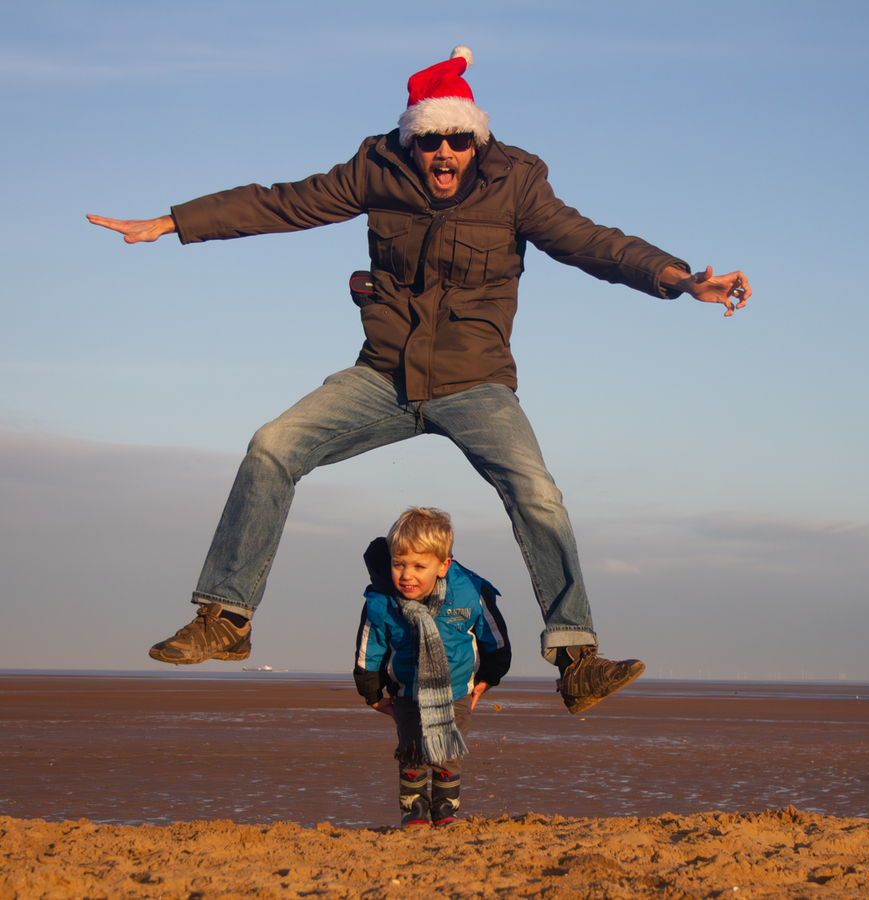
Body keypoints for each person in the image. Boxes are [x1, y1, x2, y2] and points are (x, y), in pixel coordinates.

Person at [86, 46, 751, 714]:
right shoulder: (375, 169)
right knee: (271, 446)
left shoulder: (516, 183)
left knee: (537, 493)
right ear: (413, 140)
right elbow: (283, 203)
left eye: (459, 141)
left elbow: (592, 243)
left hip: (475, 382)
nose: (445, 154)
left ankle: (576, 660)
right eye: (431, 141)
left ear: (476, 139)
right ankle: (227, 620)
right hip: (384, 376)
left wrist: (680, 279)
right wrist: (176, 222)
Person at [354, 507, 510, 826]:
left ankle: (444, 811)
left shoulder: (469, 592)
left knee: (447, 756)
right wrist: (371, 694)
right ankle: (414, 812)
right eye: (399, 564)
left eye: (418, 566)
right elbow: (369, 651)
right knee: (412, 751)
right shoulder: (382, 603)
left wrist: (488, 678)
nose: (406, 575)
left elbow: (495, 638)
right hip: (407, 693)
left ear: (443, 565)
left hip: (456, 693)